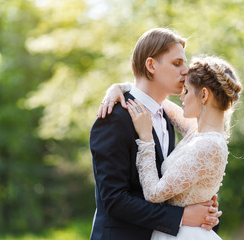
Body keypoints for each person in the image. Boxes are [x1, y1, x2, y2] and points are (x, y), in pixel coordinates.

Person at [90, 28, 222, 240]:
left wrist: (203, 212)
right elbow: (114, 200)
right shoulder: (114, 118)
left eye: (184, 63)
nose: (186, 71)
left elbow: (165, 189)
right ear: (151, 65)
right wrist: (182, 217)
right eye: (177, 63)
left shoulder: (169, 118)